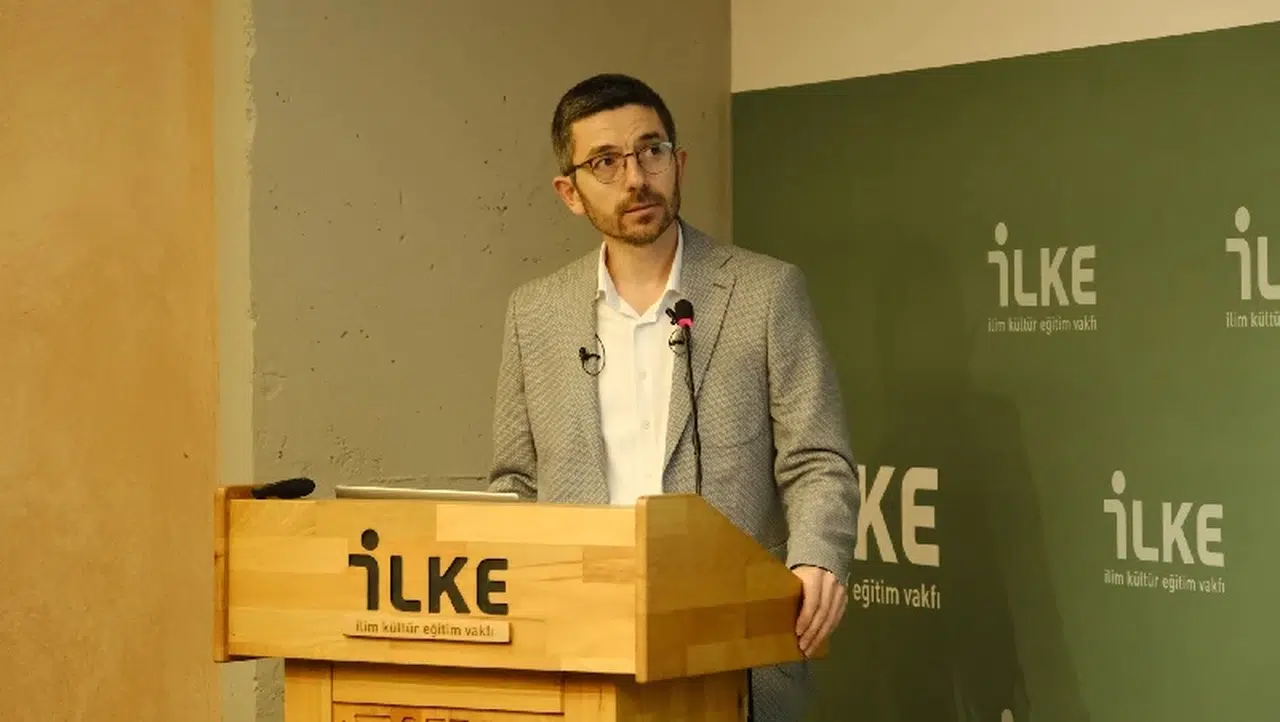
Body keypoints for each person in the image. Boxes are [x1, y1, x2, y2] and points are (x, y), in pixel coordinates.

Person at [487, 73, 860, 722]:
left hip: (734, 649)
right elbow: (515, 482)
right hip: (581, 650)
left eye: (650, 151)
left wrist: (817, 560)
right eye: (605, 162)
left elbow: (818, 459)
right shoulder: (535, 314)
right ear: (570, 192)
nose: (635, 178)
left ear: (678, 161)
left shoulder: (765, 292)